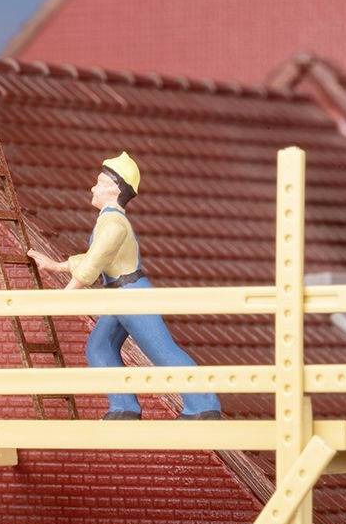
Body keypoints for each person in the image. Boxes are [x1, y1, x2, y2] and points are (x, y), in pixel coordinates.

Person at [28, 152, 222, 421]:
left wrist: (63, 297)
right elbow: (96, 257)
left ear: (113, 189)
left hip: (131, 296)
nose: (92, 188)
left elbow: (93, 263)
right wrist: (56, 266)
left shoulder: (114, 223)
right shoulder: (109, 221)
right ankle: (124, 406)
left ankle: (203, 405)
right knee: (100, 347)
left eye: (98, 182)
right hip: (119, 297)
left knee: (160, 350)